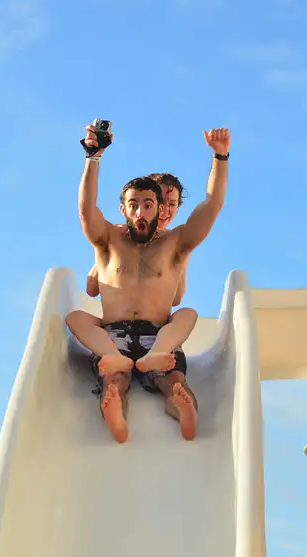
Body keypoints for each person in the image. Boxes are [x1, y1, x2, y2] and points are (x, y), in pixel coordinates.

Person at [77, 121, 230, 444]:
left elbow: (212, 206)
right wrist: (93, 157)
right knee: (110, 375)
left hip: (157, 337)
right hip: (113, 337)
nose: (141, 211)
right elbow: (86, 209)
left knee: (175, 366)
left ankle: (182, 406)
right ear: (124, 210)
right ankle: (115, 407)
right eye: (133, 205)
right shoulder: (108, 240)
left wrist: (220, 158)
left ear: (160, 210)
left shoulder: (175, 244)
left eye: (148, 204)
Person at [66, 172, 198, 374]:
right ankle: (115, 359)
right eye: (160, 200)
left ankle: (155, 358)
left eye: (172, 204)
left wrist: (175, 262)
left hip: (155, 330)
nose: (165, 210)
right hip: (117, 325)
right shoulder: (118, 236)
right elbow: (92, 288)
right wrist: (110, 258)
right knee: (77, 319)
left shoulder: (176, 243)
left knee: (187, 315)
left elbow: (176, 298)